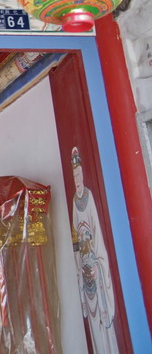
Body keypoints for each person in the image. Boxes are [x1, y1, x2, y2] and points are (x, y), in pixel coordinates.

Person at [71, 146, 120, 353]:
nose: (78, 179)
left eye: (79, 174)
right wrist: (80, 264)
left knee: (102, 323)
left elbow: (97, 235)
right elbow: (75, 237)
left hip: (96, 268)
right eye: (74, 175)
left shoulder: (89, 197)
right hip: (85, 268)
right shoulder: (74, 201)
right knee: (92, 327)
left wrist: (96, 264)